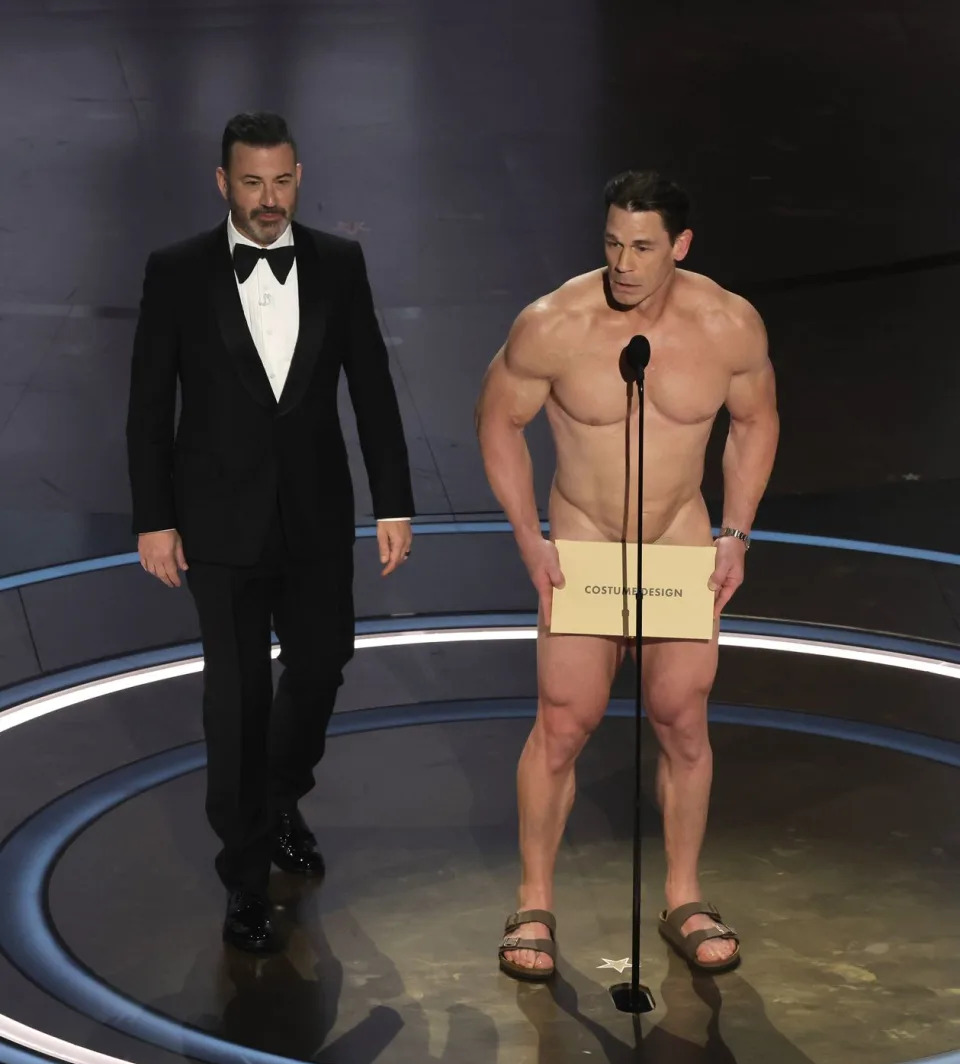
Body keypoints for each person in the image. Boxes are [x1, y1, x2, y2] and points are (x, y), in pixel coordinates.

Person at [476, 170, 778, 978]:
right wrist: (526, 536)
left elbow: (755, 423)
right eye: (613, 242)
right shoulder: (555, 323)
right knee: (564, 723)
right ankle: (533, 901)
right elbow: (498, 421)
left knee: (682, 719)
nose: (625, 262)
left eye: (643, 246)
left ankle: (683, 895)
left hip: (679, 544)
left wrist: (736, 535)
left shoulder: (727, 325)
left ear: (680, 246)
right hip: (583, 543)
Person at [127, 112, 414, 953]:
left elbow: (373, 386)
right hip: (218, 524)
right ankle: (245, 877)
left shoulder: (338, 262)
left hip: (317, 516)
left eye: (282, 181)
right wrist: (155, 517)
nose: (269, 200)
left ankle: (283, 791)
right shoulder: (177, 272)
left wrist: (392, 501)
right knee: (238, 698)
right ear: (224, 183)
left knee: (324, 663)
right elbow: (150, 406)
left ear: (299, 176)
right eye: (251, 183)